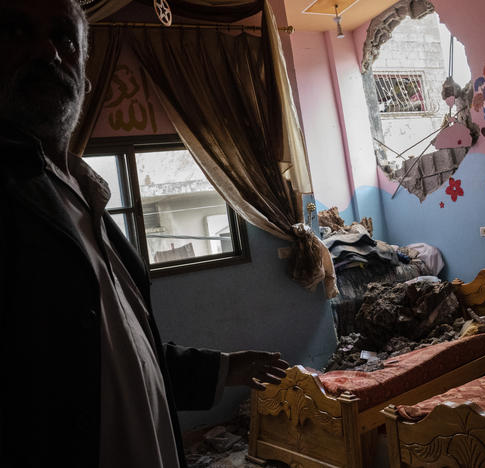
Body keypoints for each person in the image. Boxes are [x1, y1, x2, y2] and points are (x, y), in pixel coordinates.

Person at [0, 1, 288, 467]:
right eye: (15, 31)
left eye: (64, 37)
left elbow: (120, 355)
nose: (46, 52)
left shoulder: (83, 196)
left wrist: (227, 368)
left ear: (85, 77)